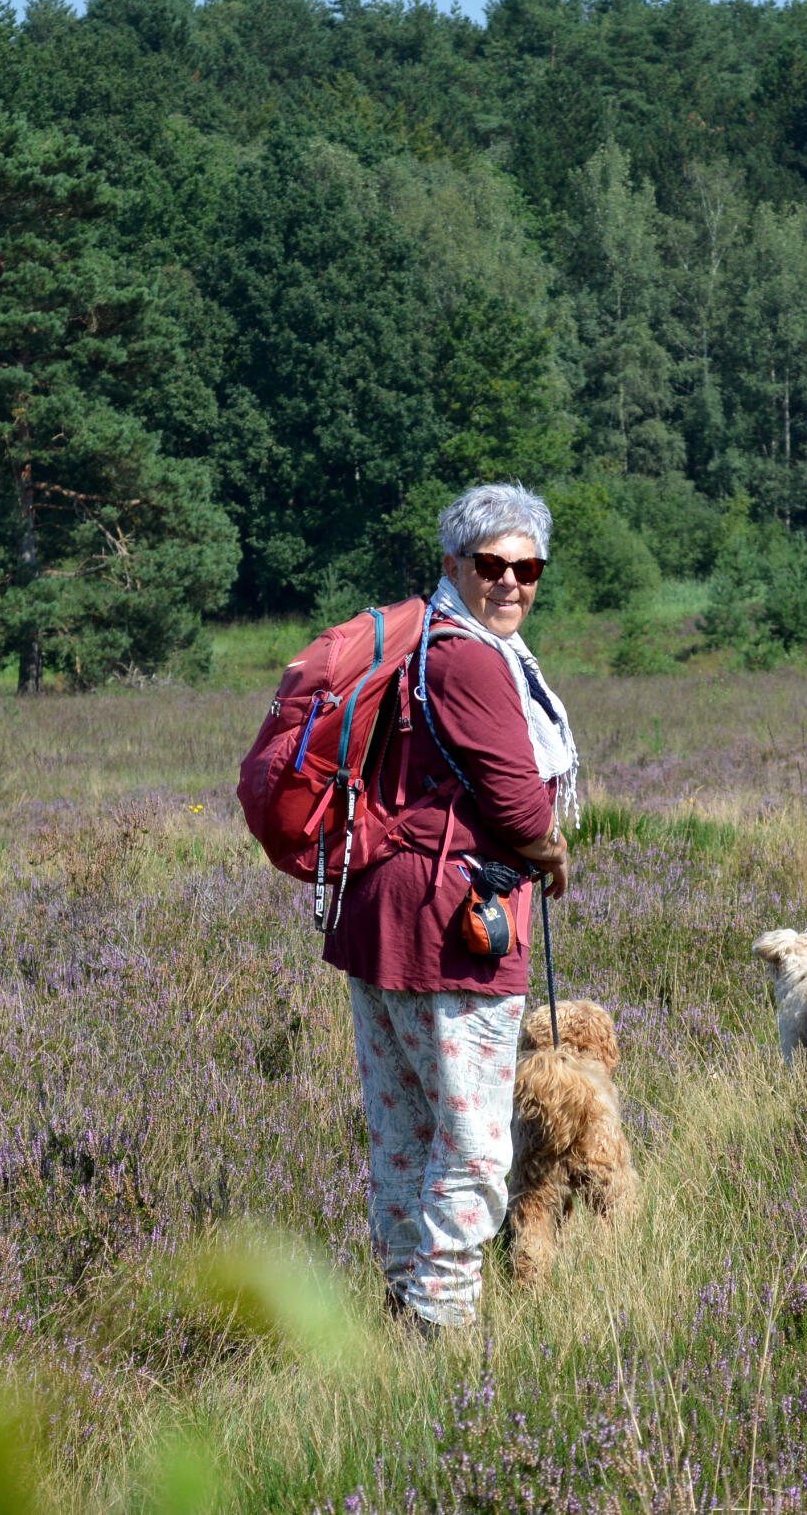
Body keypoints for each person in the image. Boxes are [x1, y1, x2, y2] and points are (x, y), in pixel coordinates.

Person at [323, 483, 577, 1335]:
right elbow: (519, 804)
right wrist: (551, 850)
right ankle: (441, 1327)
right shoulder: (469, 659)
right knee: (471, 1146)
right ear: (453, 565)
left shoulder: (416, 642)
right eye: (491, 564)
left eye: (527, 568)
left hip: (379, 913)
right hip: (453, 925)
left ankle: (403, 1309)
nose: (510, 582)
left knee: (404, 1133)